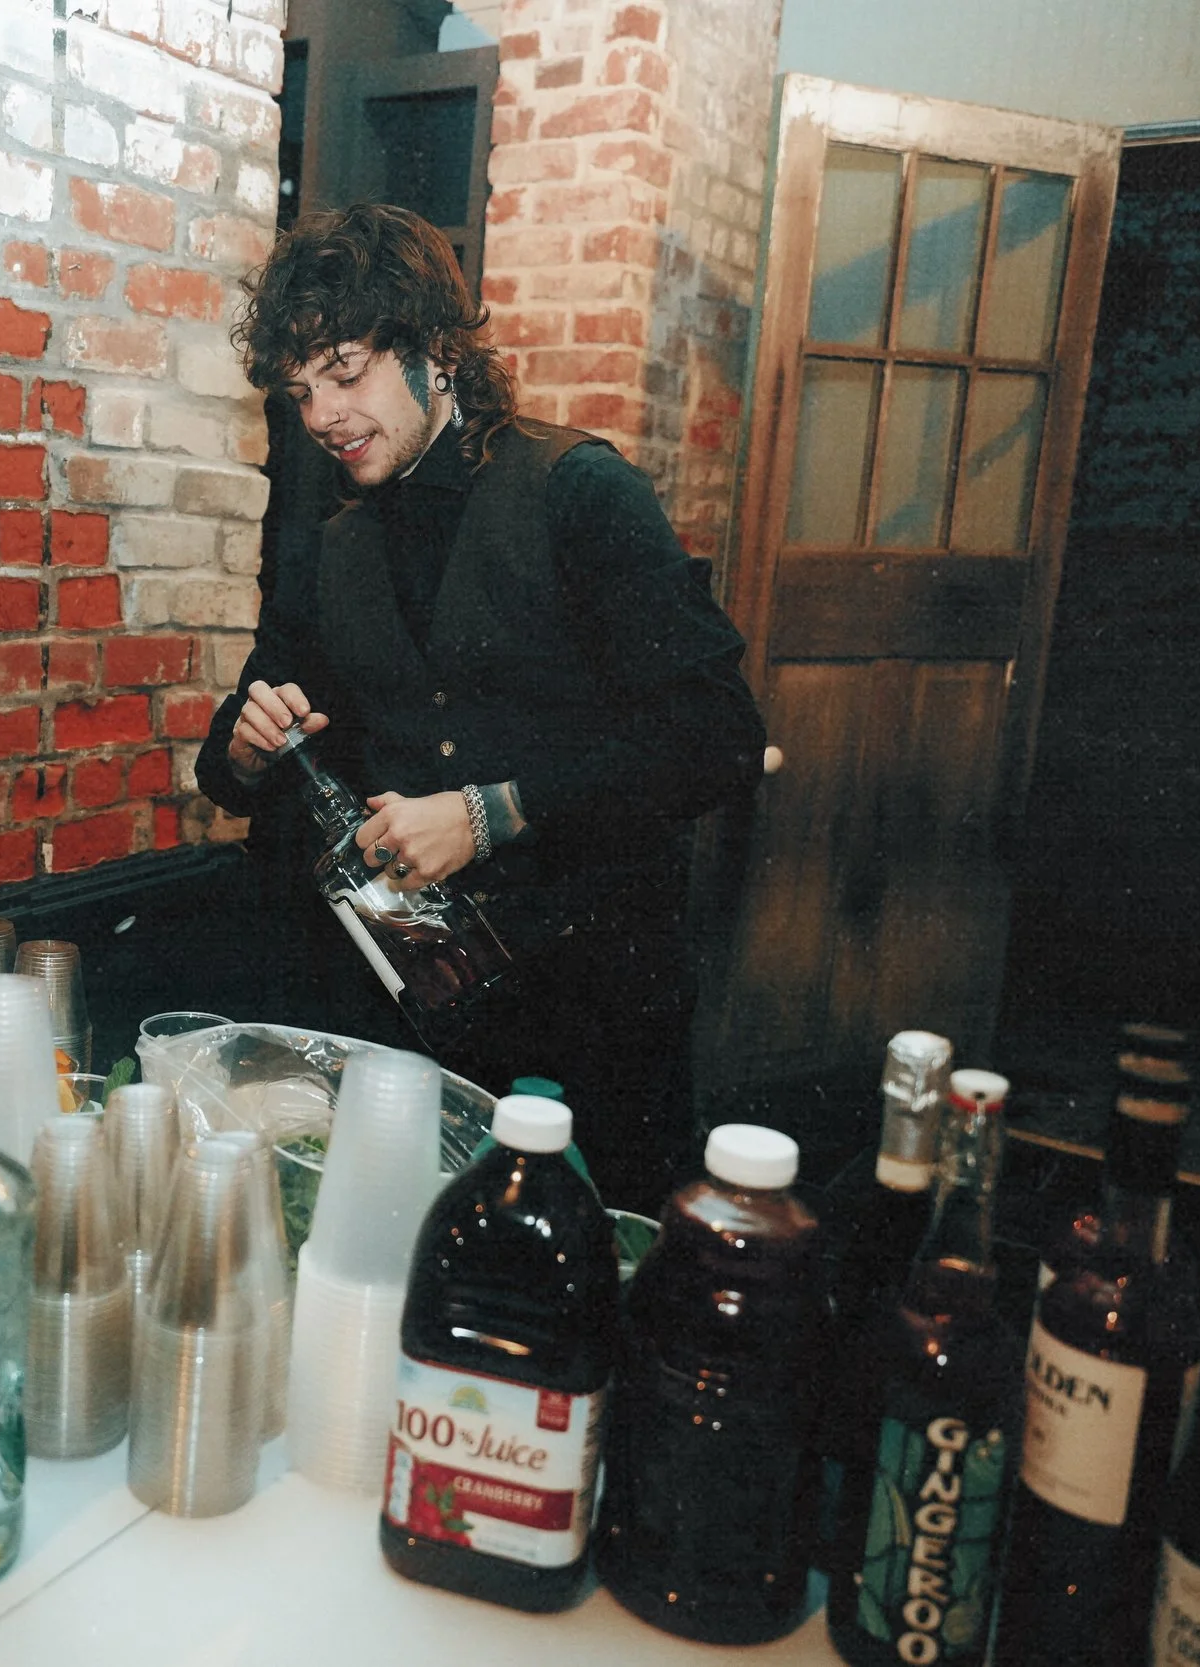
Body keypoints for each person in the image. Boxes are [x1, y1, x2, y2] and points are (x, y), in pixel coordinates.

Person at [193, 204, 766, 1213]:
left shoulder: (580, 493)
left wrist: (487, 812)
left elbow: (714, 736)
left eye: (346, 369)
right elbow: (232, 764)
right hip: (420, 1021)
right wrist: (245, 746)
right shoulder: (329, 546)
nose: (322, 414)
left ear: (434, 350)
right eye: (300, 390)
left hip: (594, 1013)